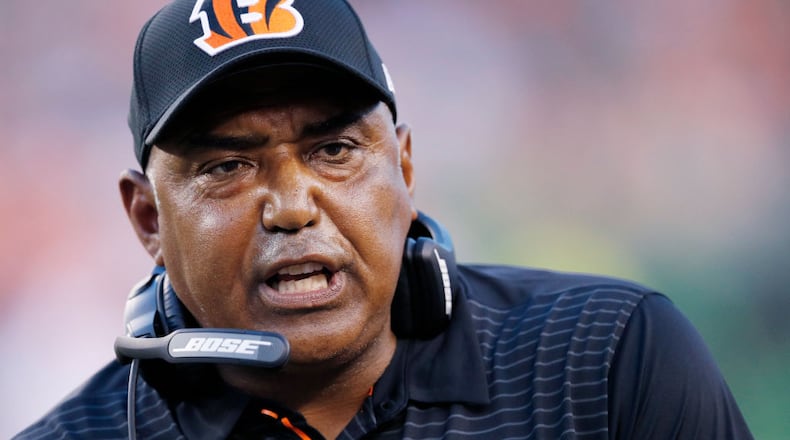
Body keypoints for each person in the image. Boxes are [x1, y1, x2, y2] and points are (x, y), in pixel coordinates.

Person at [15, 0, 753, 439]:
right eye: (227, 167)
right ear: (147, 217)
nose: (294, 205)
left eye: (334, 149)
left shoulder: (607, 361)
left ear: (403, 169)